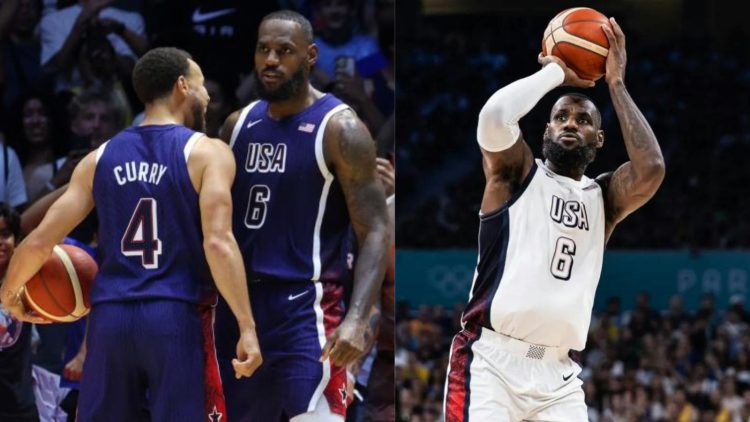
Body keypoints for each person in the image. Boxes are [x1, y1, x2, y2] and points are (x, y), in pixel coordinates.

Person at [0, 47, 262, 421]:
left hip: (110, 320)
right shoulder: (208, 153)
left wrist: (10, 296)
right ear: (182, 86)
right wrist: (247, 326)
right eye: (202, 86)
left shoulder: (99, 157)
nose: (207, 96)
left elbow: (41, 239)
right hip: (175, 316)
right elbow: (219, 242)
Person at [443, 18, 665, 421]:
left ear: (599, 140)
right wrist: (555, 73)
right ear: (545, 130)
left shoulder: (604, 199)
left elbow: (651, 168)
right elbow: (493, 119)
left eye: (583, 122)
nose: (570, 125)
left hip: (559, 377)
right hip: (492, 362)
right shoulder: (517, 176)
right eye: (561, 117)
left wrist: (616, 84)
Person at [216, 10, 389, 422]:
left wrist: (358, 318)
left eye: (284, 51)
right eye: (263, 50)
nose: (271, 60)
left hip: (305, 305)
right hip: (239, 308)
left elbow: (377, 230)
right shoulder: (236, 126)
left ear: (310, 56)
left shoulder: (341, 128)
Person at [0, 204, 38, 421]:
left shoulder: (27, 280)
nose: (0, 242)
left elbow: (29, 223)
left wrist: (72, 186)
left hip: (19, 405)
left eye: (5, 234)